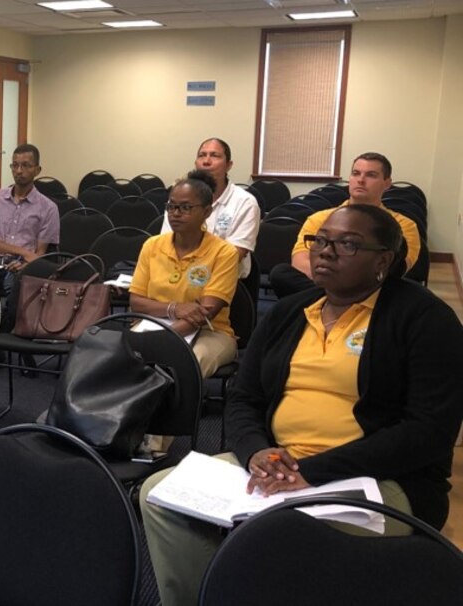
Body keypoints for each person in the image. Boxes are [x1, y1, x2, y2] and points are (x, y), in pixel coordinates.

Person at [140, 204, 463, 606]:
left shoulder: (425, 319)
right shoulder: (291, 312)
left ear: (384, 260)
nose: (326, 251)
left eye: (347, 244)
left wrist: (309, 471)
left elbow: (428, 433)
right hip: (279, 468)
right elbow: (244, 397)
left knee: (278, 532)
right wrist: (257, 451)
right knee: (160, 493)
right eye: (321, 241)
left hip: (377, 479)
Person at [129, 170, 240, 378]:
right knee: (119, 359)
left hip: (211, 332)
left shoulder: (224, 253)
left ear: (207, 211)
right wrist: (175, 309)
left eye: (185, 208)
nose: (175, 213)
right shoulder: (152, 245)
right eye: (171, 206)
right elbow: (137, 302)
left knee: (186, 364)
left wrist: (164, 338)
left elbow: (205, 313)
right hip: (152, 325)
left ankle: (177, 409)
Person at [269, 152, 421, 298]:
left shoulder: (403, 225)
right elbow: (300, 262)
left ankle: (330, 301)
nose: (361, 180)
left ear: (387, 183)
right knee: (281, 273)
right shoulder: (319, 218)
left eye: (371, 175)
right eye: (356, 173)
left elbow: (396, 270)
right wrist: (340, 283)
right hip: (325, 284)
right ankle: (337, 301)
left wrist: (334, 278)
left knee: (399, 290)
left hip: (371, 291)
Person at [161, 138, 260, 278]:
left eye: (215, 155)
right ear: (196, 163)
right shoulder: (179, 198)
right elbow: (165, 244)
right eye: (202, 155)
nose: (206, 161)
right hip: (177, 275)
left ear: (228, 165)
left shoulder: (245, 202)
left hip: (225, 281)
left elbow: (234, 255)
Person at [0, 143, 60, 272]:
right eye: (15, 165)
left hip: (19, 267)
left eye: (25, 165)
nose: (19, 170)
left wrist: (27, 265)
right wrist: (23, 252)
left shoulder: (48, 208)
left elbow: (39, 254)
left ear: (37, 170)